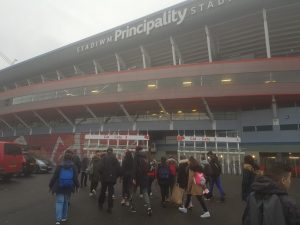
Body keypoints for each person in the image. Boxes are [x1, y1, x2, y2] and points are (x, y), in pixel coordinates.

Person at [49, 150, 79, 225]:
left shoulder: (60, 166)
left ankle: (58, 220)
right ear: (71, 158)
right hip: (69, 187)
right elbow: (75, 178)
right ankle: (64, 217)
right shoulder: (74, 166)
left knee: (59, 202)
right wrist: (77, 186)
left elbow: (54, 177)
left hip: (59, 186)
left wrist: (50, 185)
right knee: (66, 202)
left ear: (64, 158)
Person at [130, 146, 152, 216]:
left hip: (137, 177)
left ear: (136, 150)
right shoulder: (145, 156)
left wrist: (133, 178)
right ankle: (149, 208)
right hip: (145, 177)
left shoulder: (136, 156)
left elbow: (134, 167)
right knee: (145, 192)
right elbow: (148, 168)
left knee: (133, 192)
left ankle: (132, 206)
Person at [98, 147, 121, 213]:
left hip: (104, 178)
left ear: (107, 151)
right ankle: (109, 207)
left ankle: (100, 204)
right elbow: (119, 169)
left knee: (103, 191)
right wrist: (115, 176)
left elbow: (99, 168)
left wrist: (102, 174)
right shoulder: (115, 159)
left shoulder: (104, 158)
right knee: (111, 193)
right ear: (112, 151)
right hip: (112, 179)